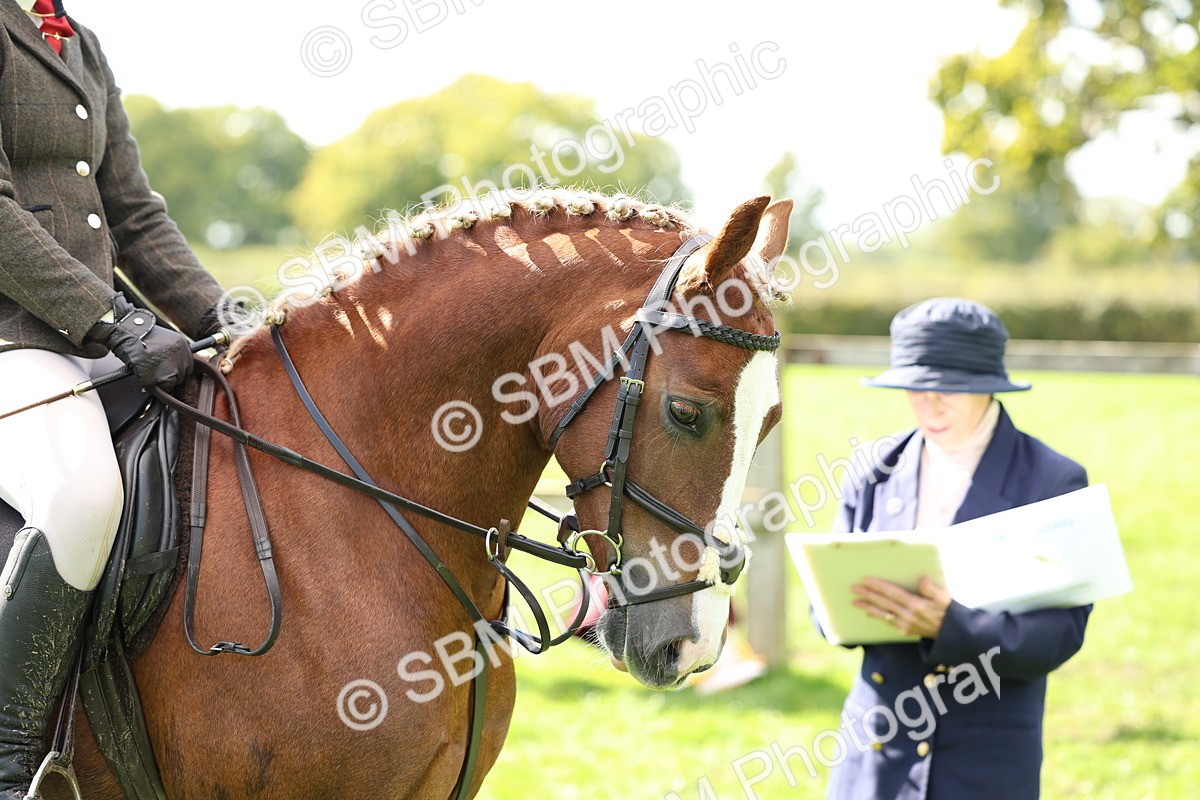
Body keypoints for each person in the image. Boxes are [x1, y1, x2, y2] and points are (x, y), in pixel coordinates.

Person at [0, 2, 225, 794]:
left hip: (88, 344)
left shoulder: (80, 42)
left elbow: (131, 211)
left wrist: (225, 317)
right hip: (13, 340)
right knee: (83, 496)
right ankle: (7, 755)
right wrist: (112, 319)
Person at [823, 298, 1090, 800]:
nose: (929, 405)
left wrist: (952, 627)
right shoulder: (872, 470)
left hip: (984, 760)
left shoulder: (1053, 481)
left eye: (945, 388)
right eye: (914, 388)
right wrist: (840, 606)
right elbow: (826, 609)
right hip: (876, 752)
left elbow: (1060, 635)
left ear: (987, 385)